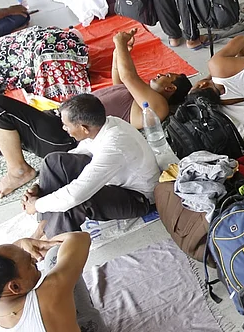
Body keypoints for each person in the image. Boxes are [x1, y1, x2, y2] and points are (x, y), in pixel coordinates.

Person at [0, 29, 192, 198]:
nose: (162, 74)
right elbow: (118, 77)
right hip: (60, 120)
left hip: (67, 137)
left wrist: (119, 42)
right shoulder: (135, 95)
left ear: (170, 89)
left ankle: (19, 171)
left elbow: (128, 76)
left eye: (168, 76)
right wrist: (119, 47)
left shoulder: (157, 106)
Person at [18, 93, 160, 236]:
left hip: (139, 198)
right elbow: (74, 155)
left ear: (84, 128)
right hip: (116, 181)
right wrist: (38, 184)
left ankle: (55, 242)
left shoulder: (115, 144)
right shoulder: (105, 124)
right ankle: (45, 227)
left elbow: (74, 196)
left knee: (79, 200)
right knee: (54, 161)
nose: (64, 129)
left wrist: (36, 205)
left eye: (66, 126)